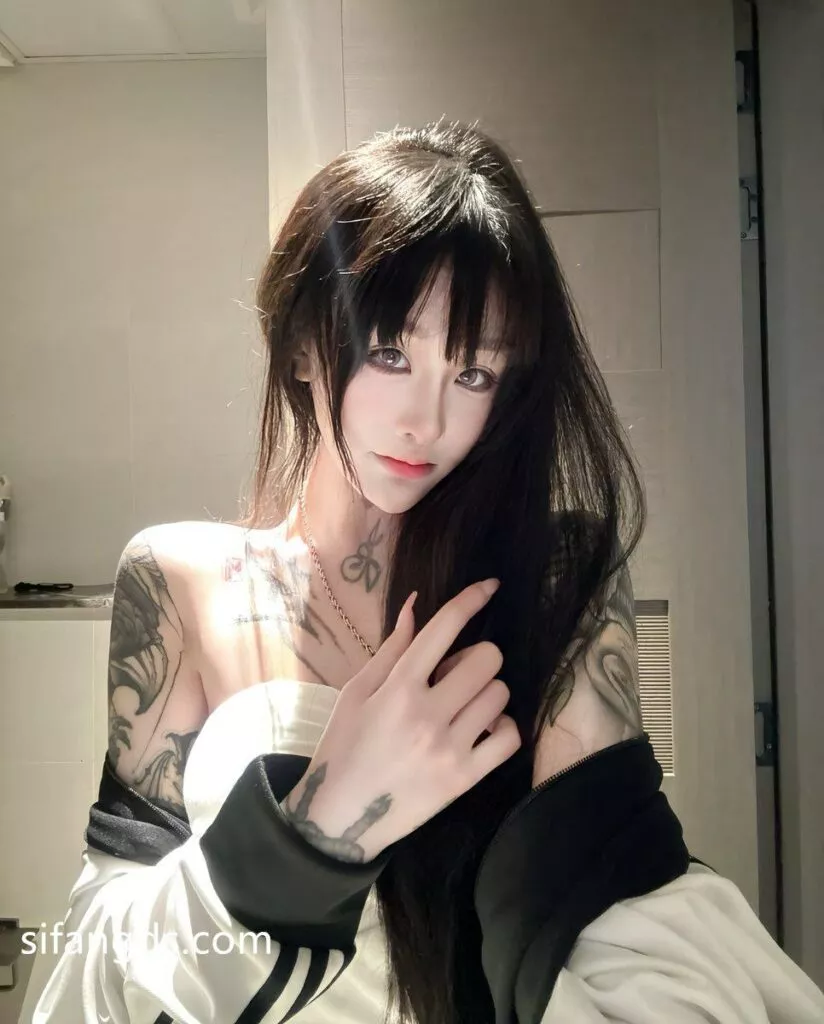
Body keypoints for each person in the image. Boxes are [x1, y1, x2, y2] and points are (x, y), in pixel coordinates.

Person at [33, 120, 824, 1024]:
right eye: (389, 353)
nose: (427, 420)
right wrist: (321, 824)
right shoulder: (178, 583)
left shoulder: (559, 575)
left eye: (475, 373)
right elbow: (93, 974)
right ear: (303, 344)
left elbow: (625, 913)